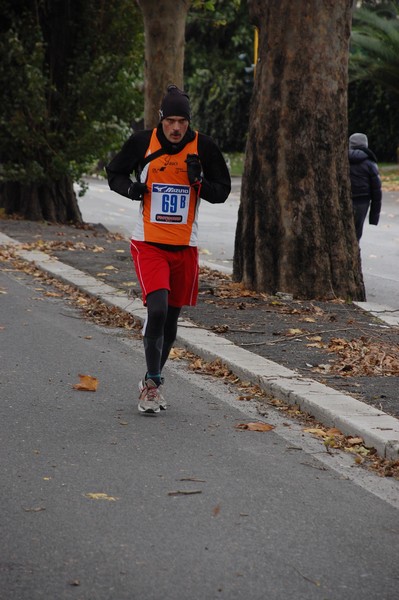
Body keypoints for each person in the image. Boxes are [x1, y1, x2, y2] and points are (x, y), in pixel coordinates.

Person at [106, 84, 231, 414]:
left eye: (182, 122)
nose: (176, 128)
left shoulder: (203, 146)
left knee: (171, 320)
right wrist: (132, 189)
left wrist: (199, 182)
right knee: (157, 310)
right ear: (161, 120)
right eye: (170, 121)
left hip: (185, 247)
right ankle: (151, 388)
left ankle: (152, 376)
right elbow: (114, 173)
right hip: (148, 243)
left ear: (189, 122)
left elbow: (223, 191)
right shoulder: (142, 143)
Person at [348, 132, 382, 241]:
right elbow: (376, 191)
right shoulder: (370, 163)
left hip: (345, 199)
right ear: (365, 145)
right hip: (362, 201)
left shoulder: (342, 160)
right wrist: (374, 218)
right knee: (356, 234)